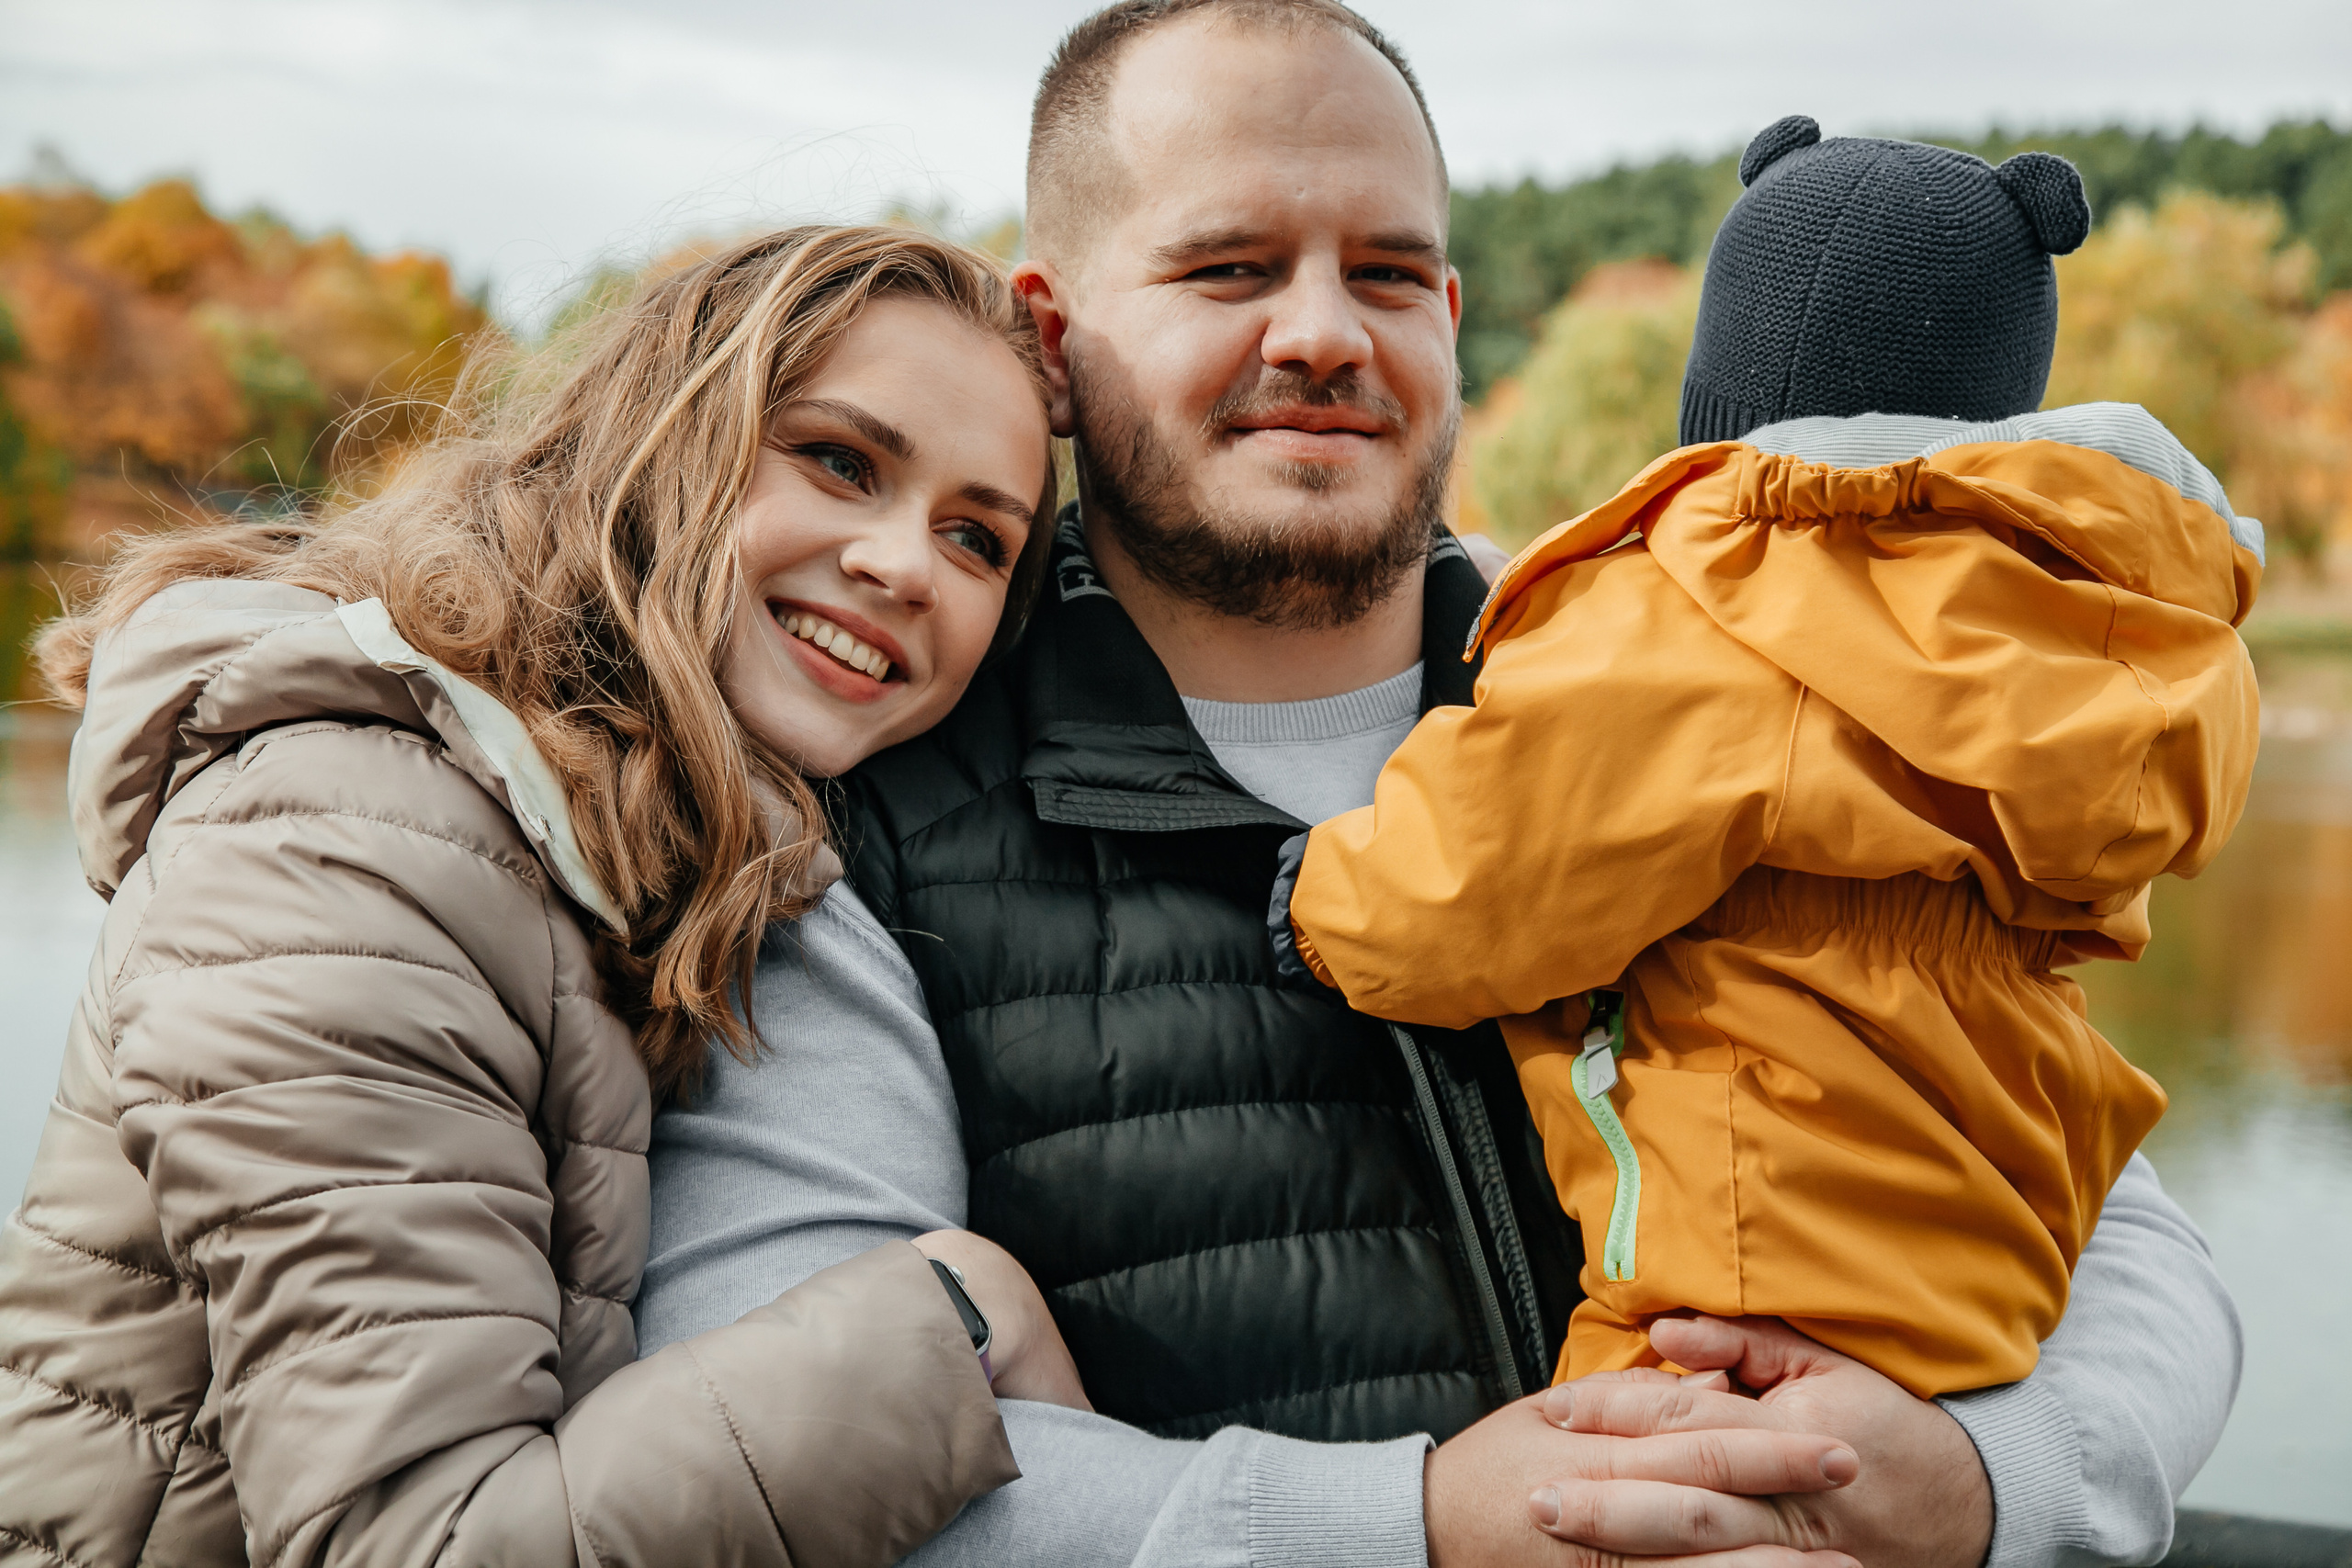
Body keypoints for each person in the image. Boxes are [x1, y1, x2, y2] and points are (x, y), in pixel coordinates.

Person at [638, 6, 2242, 1565]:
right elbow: (776, 1462)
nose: (1327, 331)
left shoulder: (1743, 685)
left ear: (1452, 322)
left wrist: (1980, 1487)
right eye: (1231, 268)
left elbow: (2125, 1243)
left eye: (1388, 275)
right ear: (1056, 343)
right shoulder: (856, 818)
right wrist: (1417, 1533)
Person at [0, 226, 1086, 1567]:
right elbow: (426, 1545)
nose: (904, 563)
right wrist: (959, 1320)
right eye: (840, 461)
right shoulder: (350, 849)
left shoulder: (638, 840)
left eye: (978, 538)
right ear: (664, 438)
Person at [1276, 118, 2264, 1400]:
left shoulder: (1726, 609)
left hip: (1746, 1246)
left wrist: (1319, 901)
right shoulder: (2069, 619)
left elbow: (1478, 880)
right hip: (1998, 1233)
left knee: (1626, 1484)